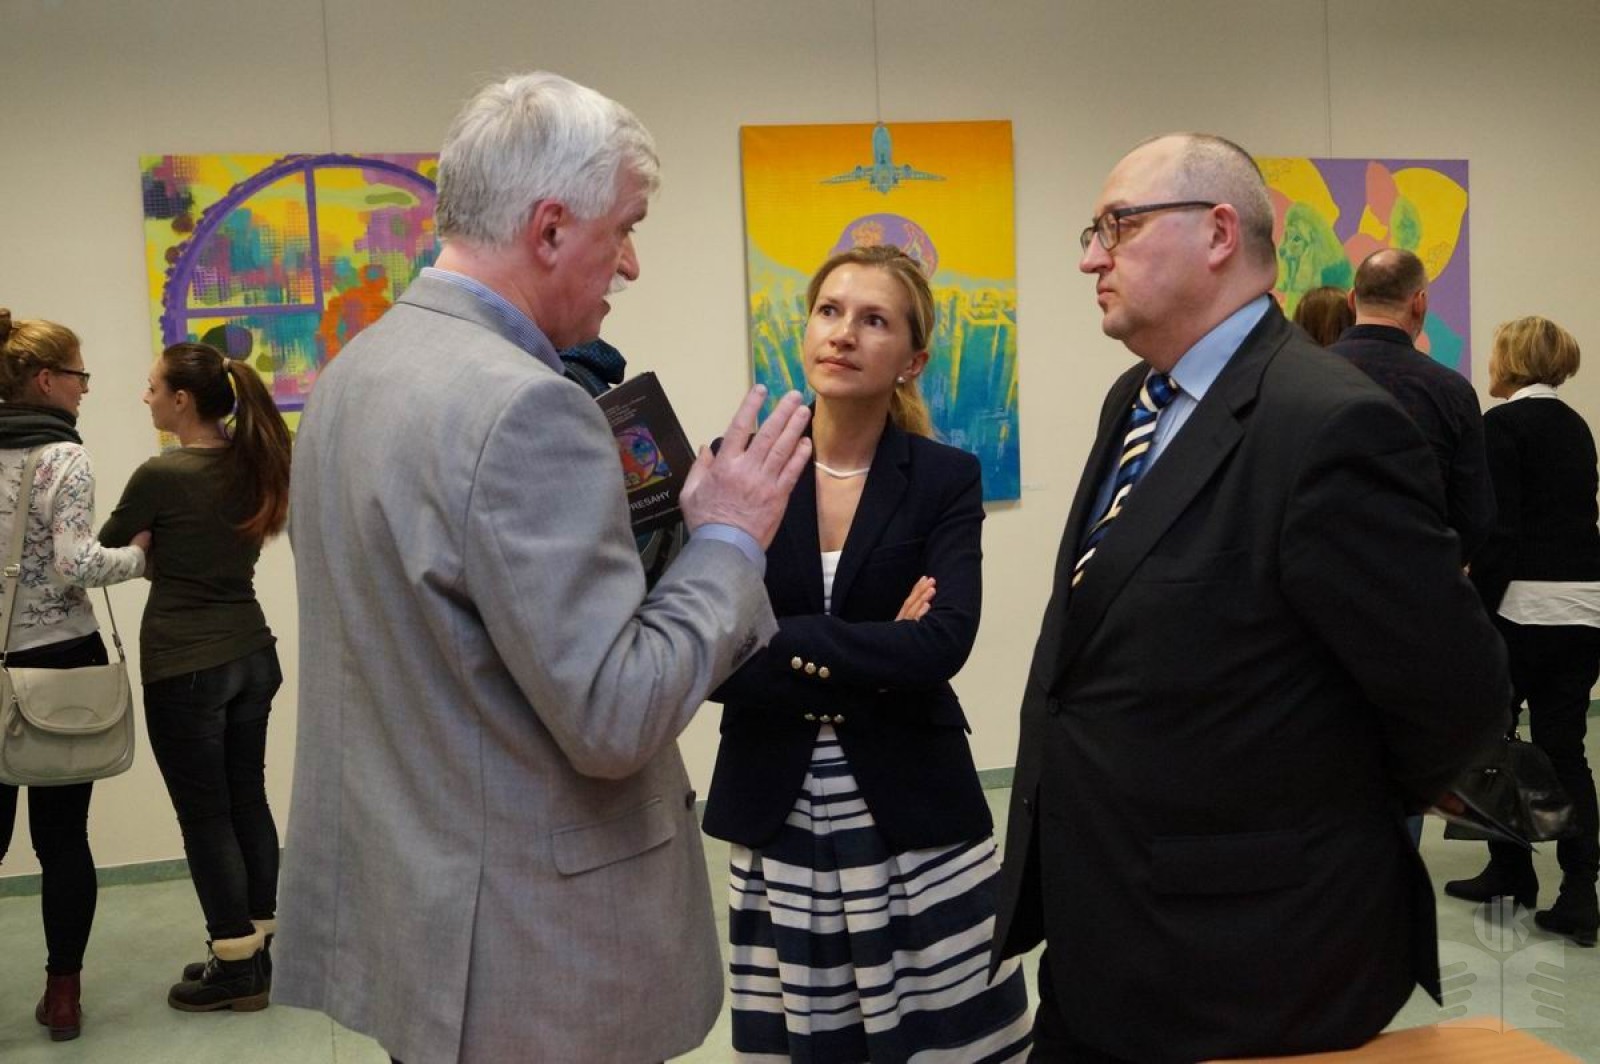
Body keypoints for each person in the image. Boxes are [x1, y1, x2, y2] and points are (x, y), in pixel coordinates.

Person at [272, 72, 812, 1064]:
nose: (632, 263)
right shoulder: (528, 407)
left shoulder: (352, 374)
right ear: (552, 229)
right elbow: (614, 714)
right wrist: (730, 539)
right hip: (536, 961)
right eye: (626, 228)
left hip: (422, 928)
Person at [989, 134, 1510, 1062]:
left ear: (1219, 232)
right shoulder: (1136, 400)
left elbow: (1454, 694)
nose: (1091, 258)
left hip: (1246, 960)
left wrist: (1321, 820)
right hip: (1108, 930)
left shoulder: (1328, 422)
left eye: (1118, 226)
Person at [702, 245, 1032, 1062]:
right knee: (812, 1041)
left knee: (950, 1040)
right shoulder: (738, 468)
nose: (844, 333)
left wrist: (776, 635)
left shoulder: (944, 477)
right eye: (830, 311)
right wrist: (881, 643)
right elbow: (706, 651)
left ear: (913, 360)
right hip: (777, 805)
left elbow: (943, 642)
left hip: (913, 808)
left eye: (874, 320)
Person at [99, 341, 293, 1011]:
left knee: (205, 816)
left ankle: (234, 963)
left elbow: (109, 549)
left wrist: (153, 551)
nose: (145, 396)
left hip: (186, 664)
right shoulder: (251, 461)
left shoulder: (162, 474)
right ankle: (258, 950)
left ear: (181, 400)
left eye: (152, 387)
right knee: (247, 800)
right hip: (252, 654)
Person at [0, 309, 148, 1042]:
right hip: (60, 663)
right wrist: (141, 556)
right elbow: (75, 563)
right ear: (44, 380)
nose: (86, 388)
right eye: (79, 375)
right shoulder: (66, 458)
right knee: (63, 841)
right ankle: (63, 997)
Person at [1447, 316, 1600, 949]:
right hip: (1585, 608)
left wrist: (1475, 612)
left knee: (1494, 741)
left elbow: (1500, 533)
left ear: (1509, 360)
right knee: (1566, 750)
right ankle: (1581, 892)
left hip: (1520, 610)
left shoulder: (1501, 426)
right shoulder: (1576, 426)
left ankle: (1511, 872)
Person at [1330, 248, 1495, 563]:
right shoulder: (1451, 391)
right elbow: (1475, 515)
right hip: (1418, 575)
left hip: (1321, 578)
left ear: (1351, 299)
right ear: (1419, 303)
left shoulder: (1302, 377)